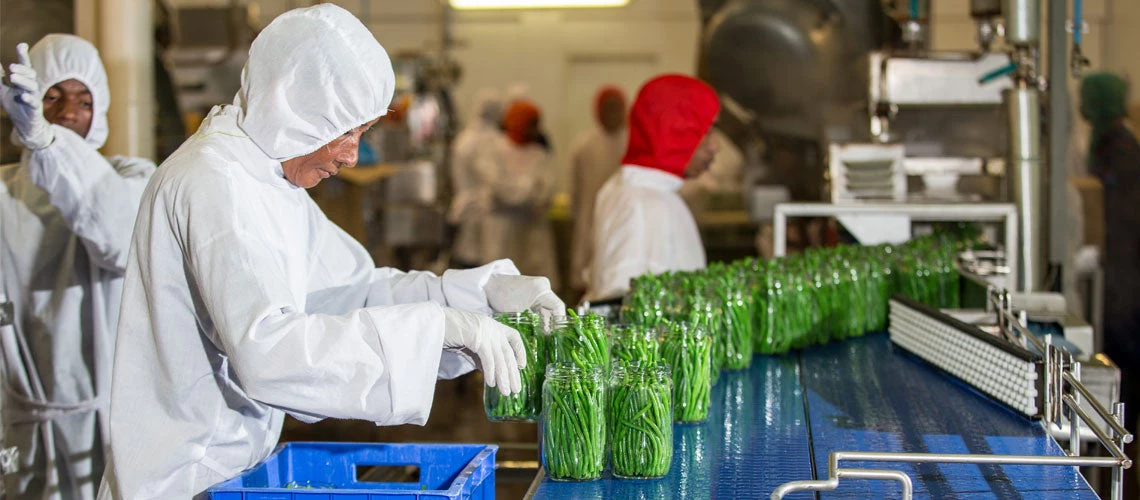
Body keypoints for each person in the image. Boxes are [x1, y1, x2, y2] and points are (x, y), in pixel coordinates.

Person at [97, 5, 563, 498]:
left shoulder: (268, 179)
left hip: (233, 471)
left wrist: (480, 297)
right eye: (345, 131)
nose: (351, 155)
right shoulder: (212, 182)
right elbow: (269, 353)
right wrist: (440, 326)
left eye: (362, 133)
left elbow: (353, 290)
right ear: (291, 107)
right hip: (183, 481)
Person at [0, 35, 157, 499]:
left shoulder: (132, 178)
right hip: (22, 429)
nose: (69, 111)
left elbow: (116, 238)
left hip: (109, 431)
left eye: (84, 100)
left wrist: (48, 144)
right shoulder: (5, 194)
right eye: (52, 96)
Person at [586, 74, 720, 302]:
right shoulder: (642, 204)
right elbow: (621, 304)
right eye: (707, 131)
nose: (715, 147)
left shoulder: (641, 191)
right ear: (674, 129)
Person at [1079, 72, 1140, 438]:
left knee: (1124, 365)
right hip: (1119, 272)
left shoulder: (1117, 150)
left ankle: (1120, 443)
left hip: (1124, 278)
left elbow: (1118, 217)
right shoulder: (1110, 143)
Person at [475, 100, 561, 291]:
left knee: (534, 291)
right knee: (498, 290)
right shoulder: (492, 150)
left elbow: (545, 194)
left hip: (532, 234)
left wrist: (520, 189)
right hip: (501, 234)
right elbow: (502, 192)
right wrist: (529, 186)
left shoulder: (540, 154)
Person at [569, 86, 627, 297]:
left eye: (616, 108)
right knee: (586, 280)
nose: (611, 114)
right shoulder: (583, 145)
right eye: (607, 108)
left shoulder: (633, 143)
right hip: (589, 220)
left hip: (624, 220)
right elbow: (575, 191)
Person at [449, 89, 503, 268]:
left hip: (464, 209)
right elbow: (494, 179)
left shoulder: (463, 137)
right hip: (481, 213)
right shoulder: (489, 140)